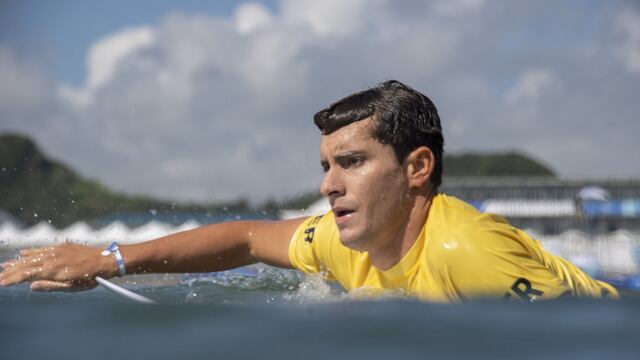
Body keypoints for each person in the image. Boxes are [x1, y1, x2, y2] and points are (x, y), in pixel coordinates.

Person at [0, 80, 618, 302]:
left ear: (417, 168)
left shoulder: (467, 253)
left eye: (351, 162)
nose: (328, 185)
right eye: (326, 165)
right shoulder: (342, 239)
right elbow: (245, 236)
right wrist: (109, 260)